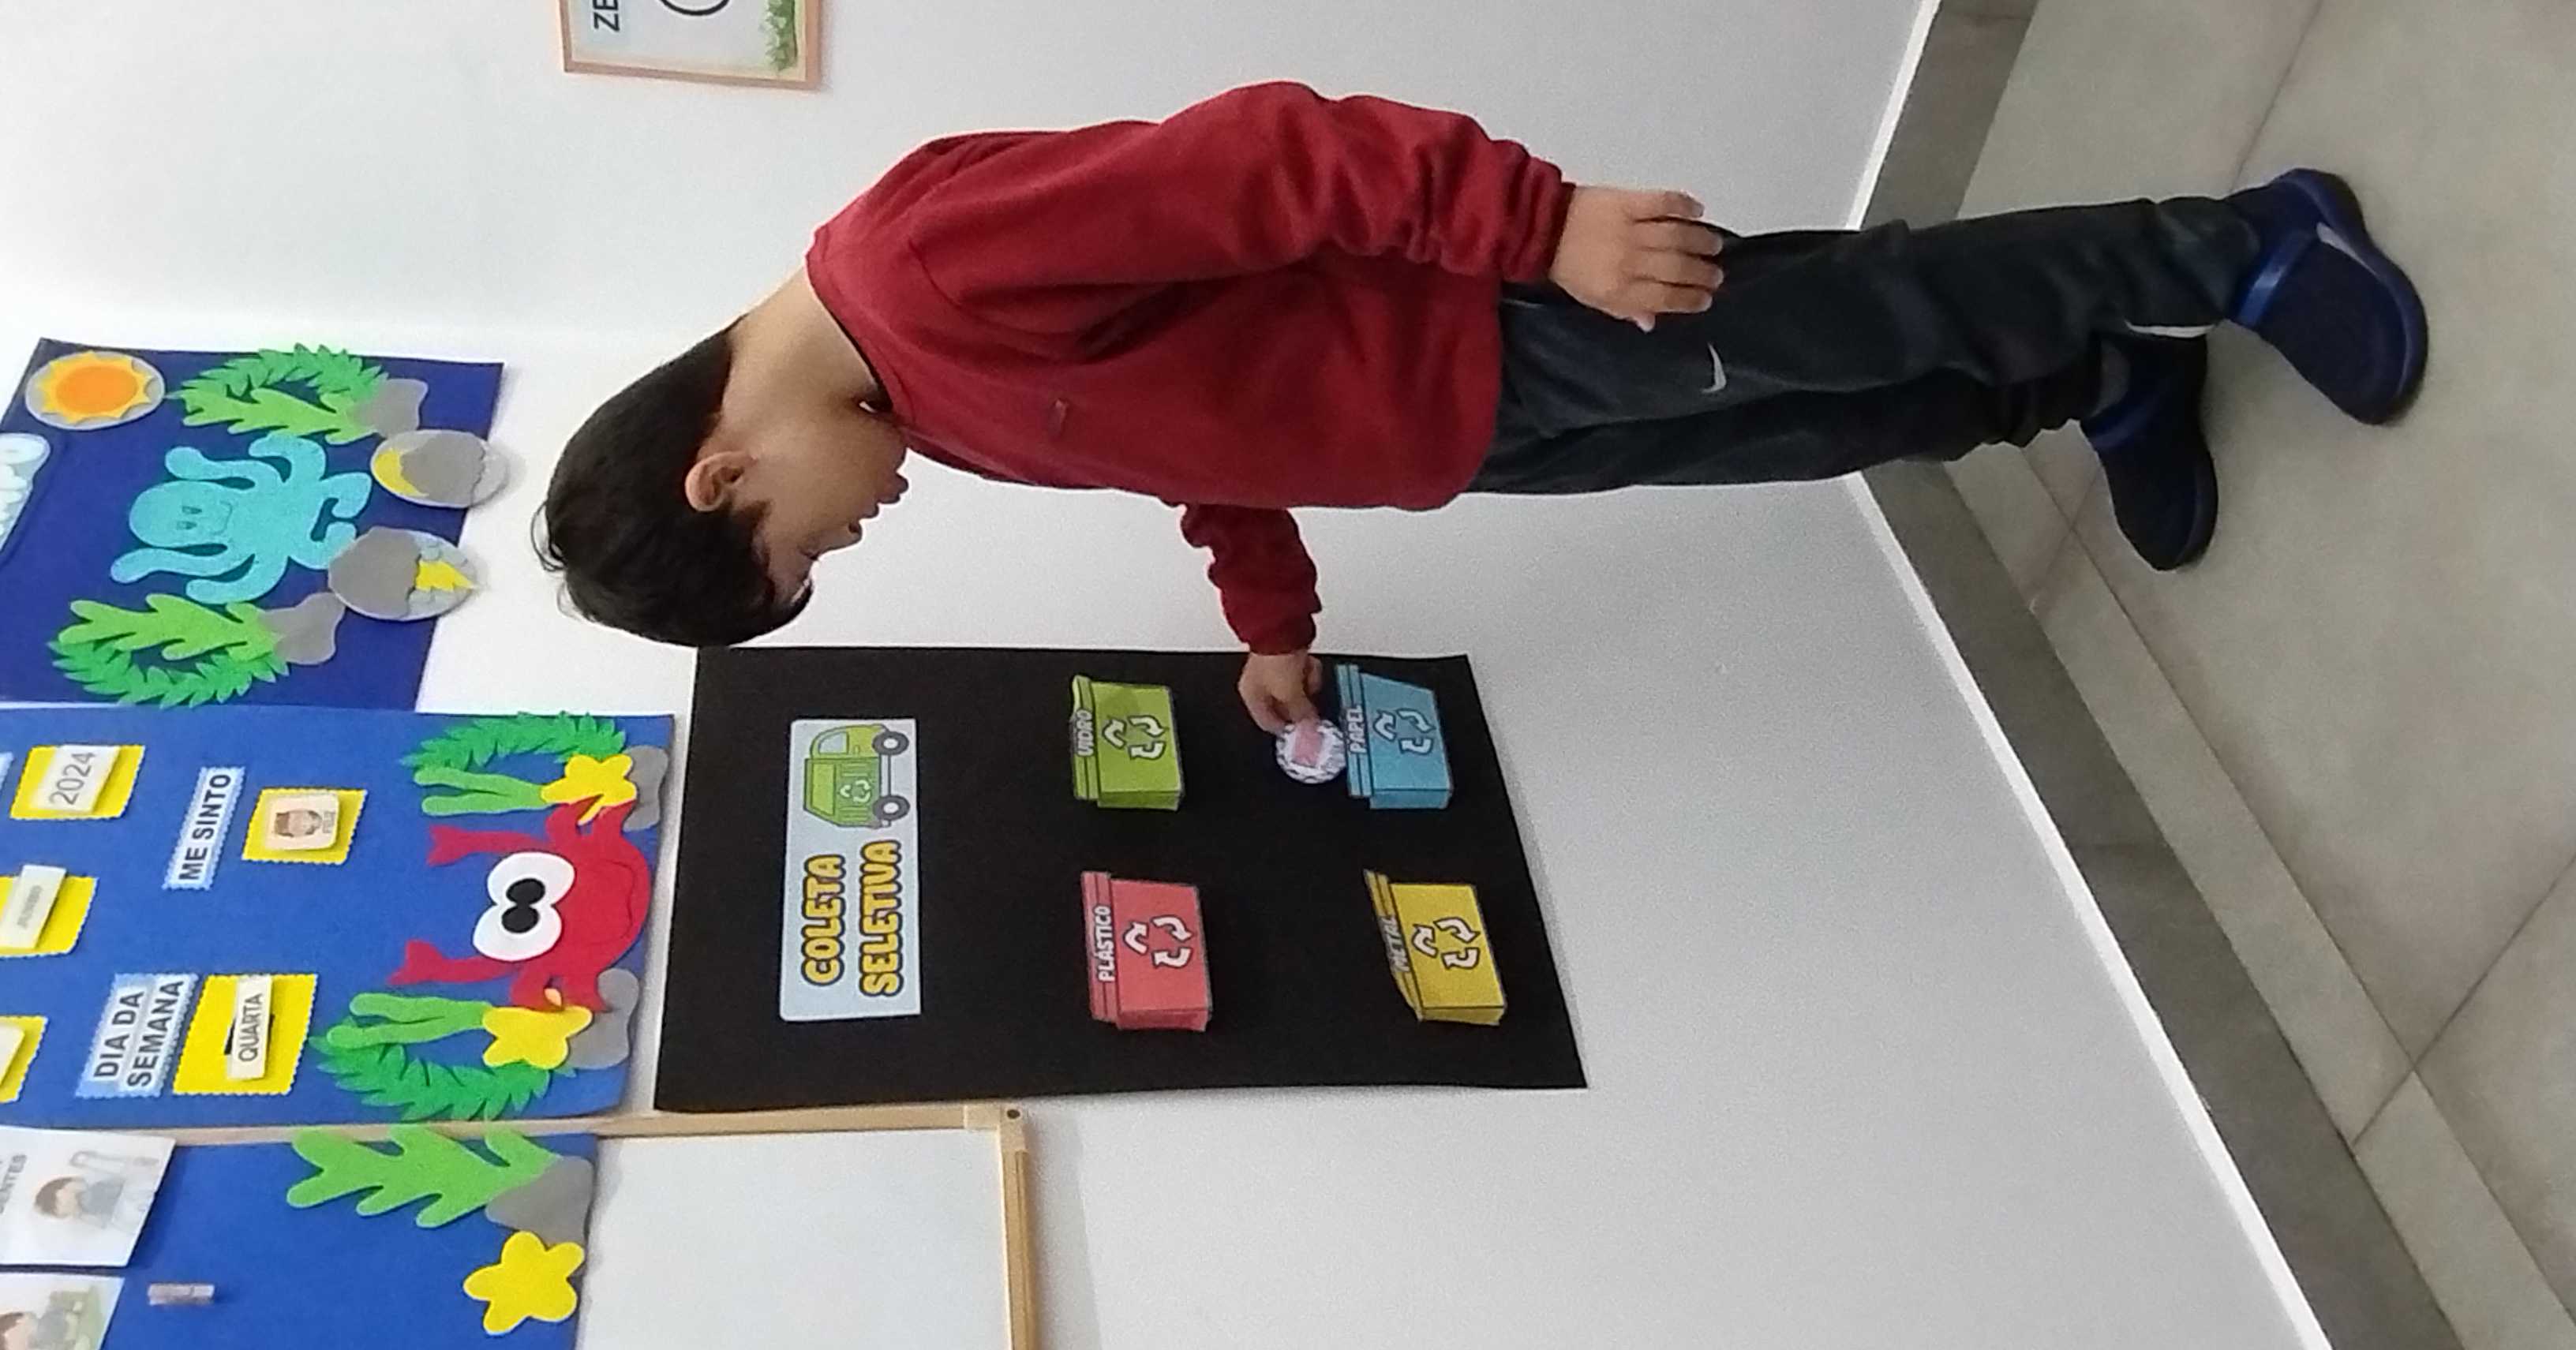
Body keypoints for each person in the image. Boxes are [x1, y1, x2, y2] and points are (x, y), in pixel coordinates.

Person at [541, 82, 2425, 730]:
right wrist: (1270, 622)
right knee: (1824, 422)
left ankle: (2244, 247)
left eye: (801, 548)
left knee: (1873, 311)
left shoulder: (925, 269)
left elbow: (1264, 159)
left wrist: (1542, 226)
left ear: (721, 471)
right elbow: (1197, 446)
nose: (855, 532)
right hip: (1470, 441)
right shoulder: (916, 402)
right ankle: (2104, 379)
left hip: (1501, 323)